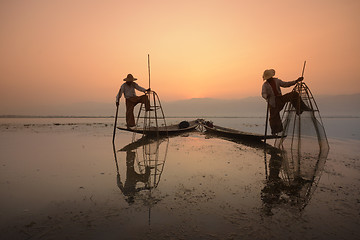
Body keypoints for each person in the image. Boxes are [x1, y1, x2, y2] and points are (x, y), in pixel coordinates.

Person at [261, 69, 310, 135]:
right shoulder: (265, 85)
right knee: (273, 117)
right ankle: (275, 132)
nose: (269, 79)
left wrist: (296, 81)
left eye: (269, 78)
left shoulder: (276, 81)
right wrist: (267, 96)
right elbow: (263, 93)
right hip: (272, 102)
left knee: (294, 94)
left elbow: (285, 84)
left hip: (280, 98)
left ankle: (300, 108)